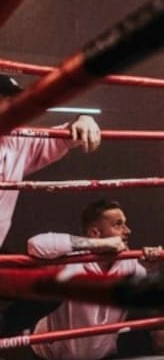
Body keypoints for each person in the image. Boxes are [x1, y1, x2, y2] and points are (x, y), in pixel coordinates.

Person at [3, 199, 161, 360]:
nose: (128, 231)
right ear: (95, 233)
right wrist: (98, 245)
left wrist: (151, 268)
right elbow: (36, 244)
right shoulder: (72, 260)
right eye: (118, 225)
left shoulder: (129, 263)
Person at [0, 74, 102, 249]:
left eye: (14, 103)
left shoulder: (16, 140)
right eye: (5, 102)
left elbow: (58, 139)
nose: (15, 110)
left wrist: (83, 119)